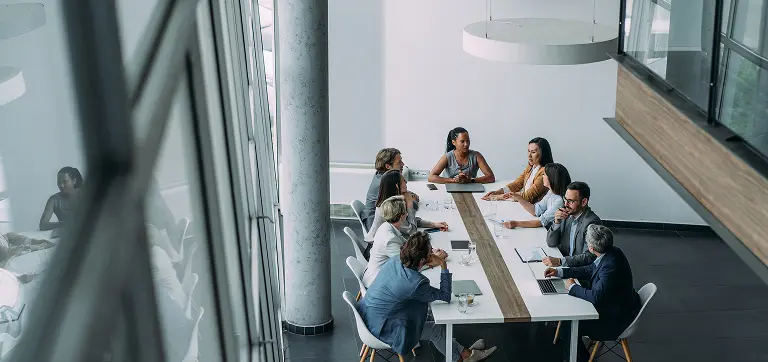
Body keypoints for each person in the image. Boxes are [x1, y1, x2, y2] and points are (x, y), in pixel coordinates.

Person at [360, 232, 498, 362]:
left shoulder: (396, 260)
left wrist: (428, 263)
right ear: (422, 259)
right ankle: (461, 358)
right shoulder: (416, 282)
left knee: (434, 319)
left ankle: (465, 353)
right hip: (384, 330)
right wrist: (443, 265)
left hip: (369, 316)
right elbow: (445, 296)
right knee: (436, 329)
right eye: (430, 251)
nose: (432, 252)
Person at [545, 225, 641, 362]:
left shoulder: (610, 267)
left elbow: (596, 297)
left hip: (615, 320)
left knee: (569, 326)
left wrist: (572, 287)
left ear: (591, 248)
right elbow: (589, 269)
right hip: (619, 305)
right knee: (569, 321)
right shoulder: (612, 252)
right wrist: (560, 272)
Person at [362, 196, 447, 287]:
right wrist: (434, 261)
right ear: (403, 216)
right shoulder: (390, 239)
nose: (407, 213)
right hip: (378, 282)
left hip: (383, 273)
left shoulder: (387, 226)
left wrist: (429, 251)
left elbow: (408, 247)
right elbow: (407, 267)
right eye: (406, 211)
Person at [365, 170, 448, 242]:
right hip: (380, 247)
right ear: (397, 186)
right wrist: (410, 205)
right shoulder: (391, 207)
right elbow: (412, 231)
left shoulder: (393, 200)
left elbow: (409, 220)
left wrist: (433, 224)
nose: (406, 182)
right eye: (404, 180)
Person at [542, 181, 602, 268]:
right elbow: (551, 243)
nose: (566, 204)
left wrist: (560, 261)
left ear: (584, 202)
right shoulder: (566, 215)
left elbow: (590, 256)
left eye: (570, 201)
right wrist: (556, 222)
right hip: (565, 264)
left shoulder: (592, 223)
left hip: (579, 270)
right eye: (565, 199)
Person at [482, 137, 553, 204]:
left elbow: (527, 197)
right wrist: (498, 192)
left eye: (533, 152)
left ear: (543, 154)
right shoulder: (531, 166)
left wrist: (498, 197)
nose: (529, 155)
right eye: (528, 151)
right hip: (524, 204)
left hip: (533, 209)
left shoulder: (545, 172)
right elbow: (517, 184)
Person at [361, 148, 419, 230]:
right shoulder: (385, 184)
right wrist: (412, 201)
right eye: (399, 162)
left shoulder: (381, 175)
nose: (403, 164)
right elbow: (408, 209)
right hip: (376, 228)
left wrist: (408, 195)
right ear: (388, 166)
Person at [502, 163, 571, 230]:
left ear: (551, 178)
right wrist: (518, 198)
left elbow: (540, 222)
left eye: (544, 174)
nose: (542, 177)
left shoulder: (559, 200)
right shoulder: (551, 192)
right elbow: (535, 210)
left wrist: (516, 224)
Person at [428, 127, 495, 184]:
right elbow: (431, 177)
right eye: (462, 141)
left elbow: (491, 177)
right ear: (454, 142)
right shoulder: (447, 157)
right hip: (450, 188)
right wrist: (454, 180)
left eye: (468, 141)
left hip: (471, 187)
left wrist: (470, 180)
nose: (466, 144)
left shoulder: (476, 156)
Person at [39, 166, 84, 231]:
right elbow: (43, 225)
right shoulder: (54, 200)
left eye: (65, 182)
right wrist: (64, 224)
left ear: (74, 181)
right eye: (59, 182)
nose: (61, 185)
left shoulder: (85, 195)